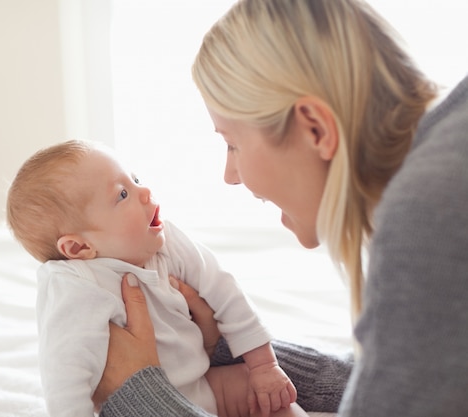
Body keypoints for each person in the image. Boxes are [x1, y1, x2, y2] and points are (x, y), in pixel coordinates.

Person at [93, 0, 468, 416]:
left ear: (315, 129)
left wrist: (137, 394)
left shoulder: (429, 216)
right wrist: (236, 352)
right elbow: (416, 379)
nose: (230, 175)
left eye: (232, 143)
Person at [6, 139, 301, 417]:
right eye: (122, 195)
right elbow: (64, 373)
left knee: (272, 398)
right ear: (78, 247)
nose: (144, 191)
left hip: (204, 384)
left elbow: (224, 289)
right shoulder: (75, 285)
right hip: (136, 406)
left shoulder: (166, 241)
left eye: (134, 179)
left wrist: (264, 365)